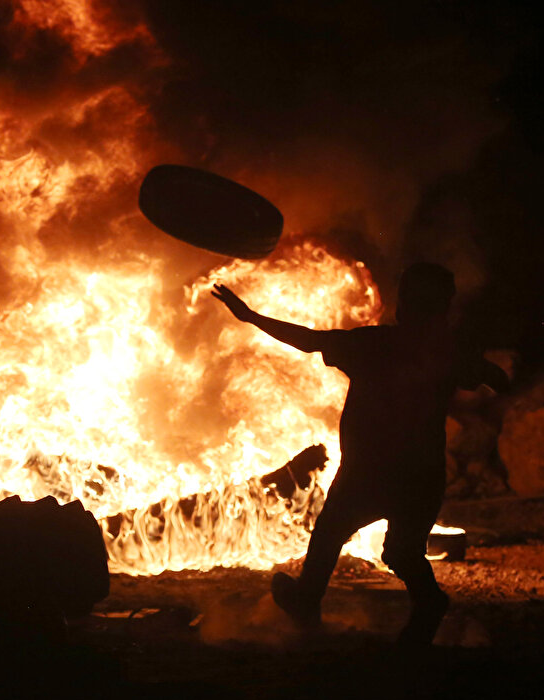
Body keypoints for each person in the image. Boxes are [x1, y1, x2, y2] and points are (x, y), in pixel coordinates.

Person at [212, 262, 508, 648]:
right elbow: (497, 380)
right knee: (401, 552)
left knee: (331, 534)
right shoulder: (446, 353)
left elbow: (308, 339)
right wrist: (478, 362)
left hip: (370, 471)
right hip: (420, 474)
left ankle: (311, 601)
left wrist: (250, 317)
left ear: (405, 306)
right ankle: (424, 607)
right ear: (442, 310)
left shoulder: (375, 344)